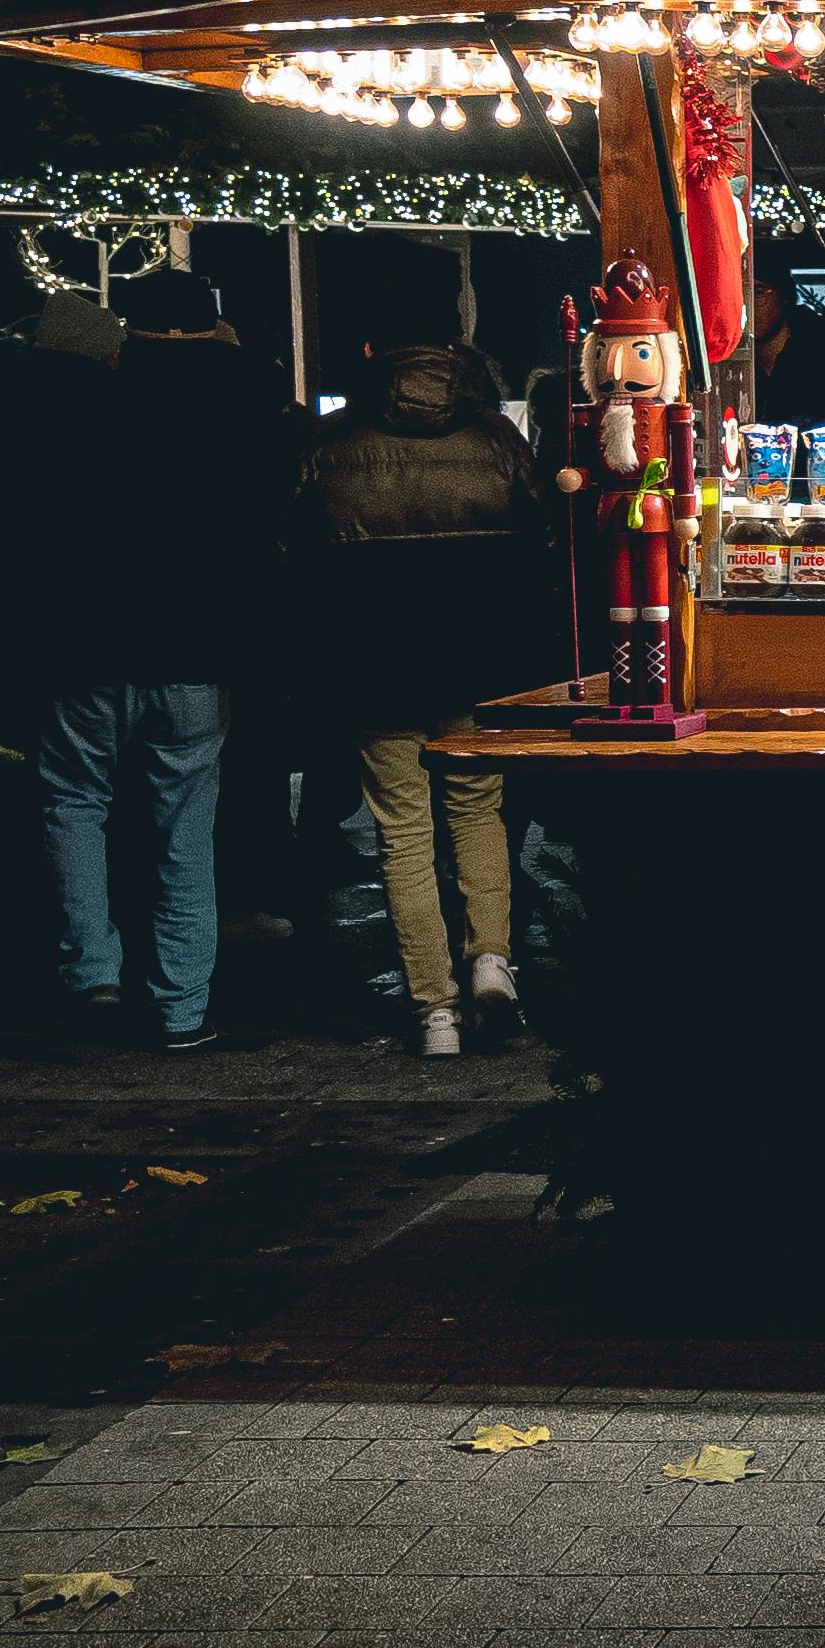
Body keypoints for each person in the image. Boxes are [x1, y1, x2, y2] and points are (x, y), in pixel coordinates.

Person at [24, 266, 295, 1054]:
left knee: (74, 806)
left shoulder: (76, 406)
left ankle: (94, 982)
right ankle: (180, 1008)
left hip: (87, 645)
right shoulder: (248, 412)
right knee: (184, 831)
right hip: (196, 653)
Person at [298, 258, 561, 1057]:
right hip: (479, 661)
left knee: (403, 833)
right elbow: (537, 553)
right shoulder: (494, 438)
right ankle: (491, 960)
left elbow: (299, 562)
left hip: (374, 667)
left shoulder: (331, 445)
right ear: (455, 331)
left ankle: (434, 1011)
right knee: (478, 811)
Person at [751, 243, 825, 429]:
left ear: (783, 296)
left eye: (759, 291)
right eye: (743, 292)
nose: (749, 302)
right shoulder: (731, 368)